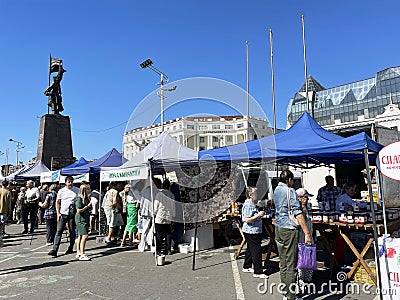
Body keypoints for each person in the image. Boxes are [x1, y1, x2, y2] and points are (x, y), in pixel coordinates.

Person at [274, 169, 312, 300]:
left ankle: (286, 293)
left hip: (279, 227)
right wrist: (307, 233)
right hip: (289, 229)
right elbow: (298, 213)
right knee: (291, 264)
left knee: (284, 263)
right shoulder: (290, 191)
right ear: (289, 179)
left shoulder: (276, 190)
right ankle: (291, 296)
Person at [48, 176, 79, 257]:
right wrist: (58, 213)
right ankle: (55, 249)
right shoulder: (61, 191)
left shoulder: (77, 190)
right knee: (59, 231)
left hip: (72, 214)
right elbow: (57, 202)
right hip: (63, 213)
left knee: (72, 231)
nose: (70, 183)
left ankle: (70, 247)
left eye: (71, 182)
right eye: (69, 182)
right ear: (65, 182)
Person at [241, 187, 267, 279]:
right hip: (251, 231)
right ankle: (258, 271)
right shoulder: (248, 204)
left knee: (250, 248)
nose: (257, 195)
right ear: (251, 195)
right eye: (255, 193)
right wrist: (258, 215)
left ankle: (246, 266)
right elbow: (247, 220)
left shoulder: (251, 203)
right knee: (256, 250)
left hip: (252, 230)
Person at [296, 188, 314, 288]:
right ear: (300, 198)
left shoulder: (308, 207)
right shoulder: (297, 209)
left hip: (309, 235)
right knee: (301, 258)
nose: (307, 200)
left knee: (309, 256)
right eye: (305, 197)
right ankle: (300, 280)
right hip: (302, 237)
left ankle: (308, 279)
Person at [154, 179, 175, 256]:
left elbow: (156, 206)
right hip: (168, 216)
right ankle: (168, 249)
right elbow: (173, 207)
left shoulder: (159, 194)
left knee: (159, 234)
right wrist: (173, 216)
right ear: (169, 186)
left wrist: (154, 213)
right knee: (168, 233)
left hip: (160, 216)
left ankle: (158, 250)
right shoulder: (171, 195)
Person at [138, 178, 160, 252]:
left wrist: (141, 210)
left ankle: (143, 245)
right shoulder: (157, 191)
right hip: (153, 211)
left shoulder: (144, 190)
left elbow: (141, 202)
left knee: (145, 229)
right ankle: (150, 244)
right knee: (152, 228)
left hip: (146, 211)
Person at [75, 183, 92, 261]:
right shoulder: (79, 199)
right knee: (85, 236)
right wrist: (87, 206)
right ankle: (82, 253)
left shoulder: (87, 198)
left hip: (85, 218)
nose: (89, 190)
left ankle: (78, 252)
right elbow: (79, 210)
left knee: (80, 236)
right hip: (80, 219)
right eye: (88, 189)